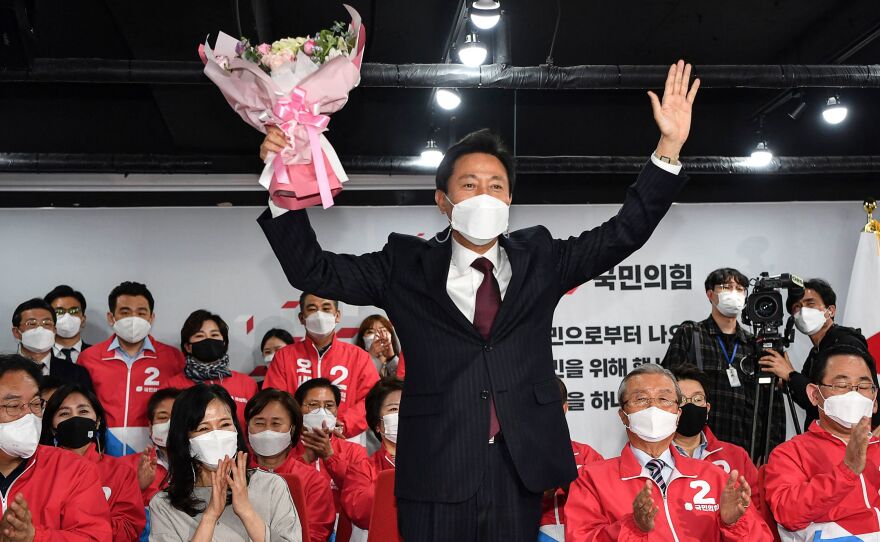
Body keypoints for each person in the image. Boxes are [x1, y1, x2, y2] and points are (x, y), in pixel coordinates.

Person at [258, 60, 700, 540]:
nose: (484, 195)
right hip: (435, 466)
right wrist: (282, 187)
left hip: (518, 465)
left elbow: (623, 233)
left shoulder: (542, 258)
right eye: (469, 185)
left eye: (496, 186)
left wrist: (668, 149)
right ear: (443, 201)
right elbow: (313, 270)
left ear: (509, 200)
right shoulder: (403, 264)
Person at [565, 364, 772, 540]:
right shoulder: (592, 479)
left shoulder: (714, 476)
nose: (653, 407)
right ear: (623, 415)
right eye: (641, 399)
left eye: (664, 399)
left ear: (678, 413)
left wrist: (734, 524)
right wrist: (632, 527)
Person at [148, 384, 301, 541]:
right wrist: (210, 516)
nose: (217, 436)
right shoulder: (163, 505)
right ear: (185, 440)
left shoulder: (271, 486)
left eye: (225, 425)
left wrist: (247, 512)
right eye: (203, 429)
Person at [662, 268, 786, 457]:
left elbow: (773, 407)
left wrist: (769, 453)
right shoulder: (691, 334)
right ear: (710, 294)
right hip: (696, 447)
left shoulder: (756, 344)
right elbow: (666, 391)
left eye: (740, 289)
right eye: (726, 287)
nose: (734, 293)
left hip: (746, 450)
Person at [764, 345, 880, 540]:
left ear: (875, 400)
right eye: (841, 385)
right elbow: (787, 514)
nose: (854, 395)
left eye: (863, 387)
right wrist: (846, 471)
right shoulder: (790, 453)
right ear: (814, 394)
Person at [0, 354, 112, 540]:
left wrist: (34, 537)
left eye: (36, 404)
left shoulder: (75, 470)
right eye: (13, 405)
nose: (29, 415)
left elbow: (94, 537)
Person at [78, 281, 185, 456]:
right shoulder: (89, 358)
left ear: (151, 318)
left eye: (141, 313)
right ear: (111, 317)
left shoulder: (172, 358)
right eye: (125, 312)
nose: (134, 319)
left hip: (158, 456)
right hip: (102, 457)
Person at [758, 278, 875, 431]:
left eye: (810, 304)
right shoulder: (815, 352)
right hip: (826, 435)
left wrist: (790, 375)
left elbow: (840, 398)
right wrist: (786, 381)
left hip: (848, 435)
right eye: (797, 307)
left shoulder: (846, 343)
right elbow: (813, 401)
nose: (803, 311)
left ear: (830, 310)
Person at [264, 293, 379, 442]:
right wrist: (296, 425)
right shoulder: (284, 356)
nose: (319, 315)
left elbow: (372, 400)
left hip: (345, 441)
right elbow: (274, 398)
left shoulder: (358, 357)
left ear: (337, 315)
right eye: (312, 309)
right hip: (296, 441)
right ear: (301, 317)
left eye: (326, 308)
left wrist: (342, 424)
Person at [40, 384, 146, 541]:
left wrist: (86, 525)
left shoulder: (121, 472)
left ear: (97, 422)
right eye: (64, 413)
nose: (75, 419)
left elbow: (129, 529)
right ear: (52, 428)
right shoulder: (39, 471)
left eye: (83, 411)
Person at [245, 388, 335, 542]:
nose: (267, 431)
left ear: (292, 429)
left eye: (276, 423)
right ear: (247, 427)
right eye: (259, 423)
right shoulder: (236, 475)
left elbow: (314, 536)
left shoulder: (313, 482)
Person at [669, 364, 758, 490]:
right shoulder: (655, 455)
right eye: (681, 400)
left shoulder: (737, 456)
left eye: (697, 399)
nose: (690, 405)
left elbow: (755, 500)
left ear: (707, 408)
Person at [162, 310, 258, 427]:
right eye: (200, 336)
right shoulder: (171, 386)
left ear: (224, 342)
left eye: (214, 335)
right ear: (188, 347)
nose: (208, 340)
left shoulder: (247, 384)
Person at [539, 378, 604, 541]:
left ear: (564, 408)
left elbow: (604, 502)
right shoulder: (514, 457)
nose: (542, 414)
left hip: (581, 534)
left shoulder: (587, 455)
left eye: (549, 406)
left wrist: (572, 488)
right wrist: (536, 494)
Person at [291, 378, 367, 512]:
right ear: (298, 408)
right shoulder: (286, 449)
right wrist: (306, 458)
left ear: (337, 410)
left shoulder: (355, 452)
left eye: (329, 405)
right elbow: (283, 489)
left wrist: (330, 457)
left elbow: (360, 496)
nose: (322, 412)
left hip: (342, 521)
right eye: (313, 405)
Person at [341, 377, 404, 530]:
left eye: (407, 407)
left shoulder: (433, 464)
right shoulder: (361, 470)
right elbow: (361, 512)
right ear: (377, 424)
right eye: (393, 409)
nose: (402, 414)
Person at [11, 297, 94, 391]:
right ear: (16, 332)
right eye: (32, 324)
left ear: (54, 330)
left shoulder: (77, 373)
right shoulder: (4, 370)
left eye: (47, 323)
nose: (40, 329)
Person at [120, 387, 181, 506]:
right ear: (150, 426)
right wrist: (139, 487)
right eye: (163, 417)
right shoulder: (125, 467)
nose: (170, 424)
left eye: (177, 417)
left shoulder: (203, 466)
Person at [44, 284, 92, 364]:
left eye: (74, 311)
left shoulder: (97, 355)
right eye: (59, 312)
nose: (67, 316)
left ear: (83, 320)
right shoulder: (37, 358)